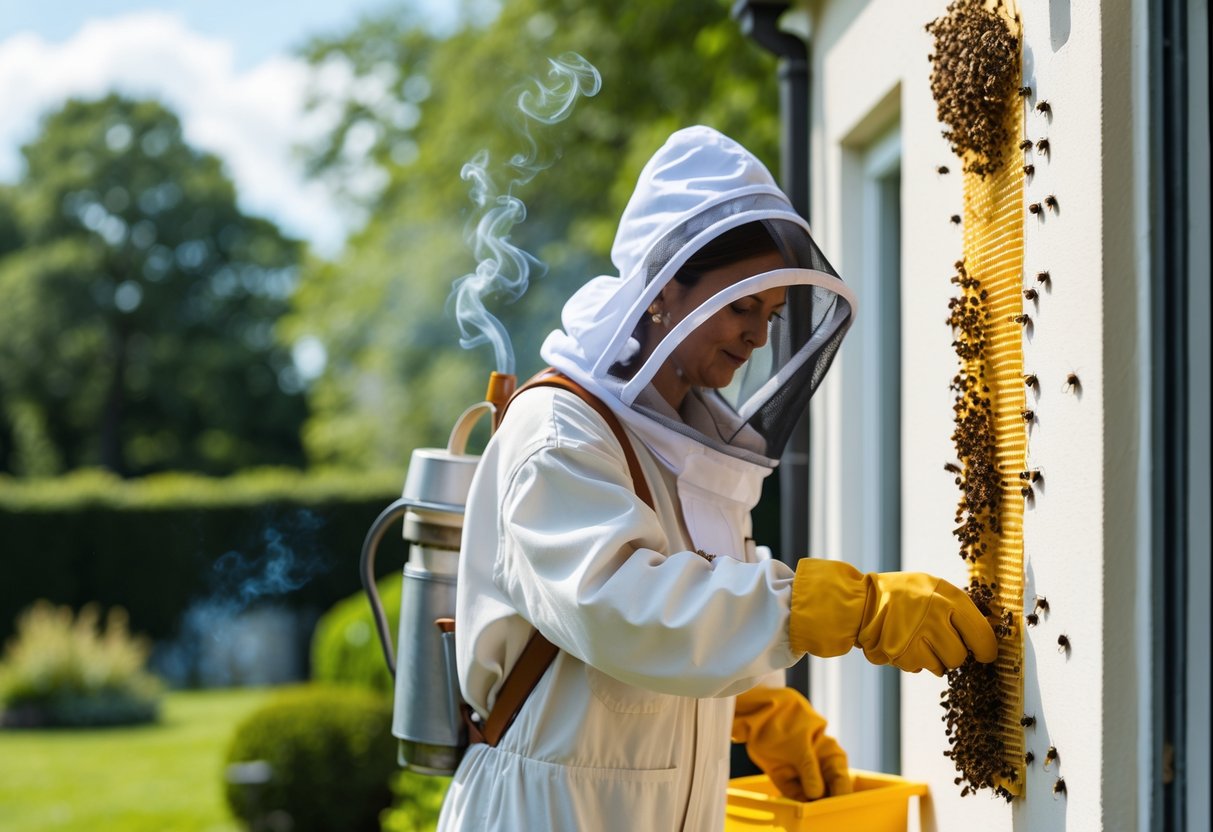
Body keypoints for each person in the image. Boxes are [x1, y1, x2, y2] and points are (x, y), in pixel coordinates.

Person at [438, 125, 997, 831]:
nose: (757, 337)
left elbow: (700, 591)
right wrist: (839, 609)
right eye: (740, 307)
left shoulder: (688, 445)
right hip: (543, 809)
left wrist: (753, 700)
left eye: (769, 314)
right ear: (666, 288)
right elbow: (617, 605)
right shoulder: (560, 431)